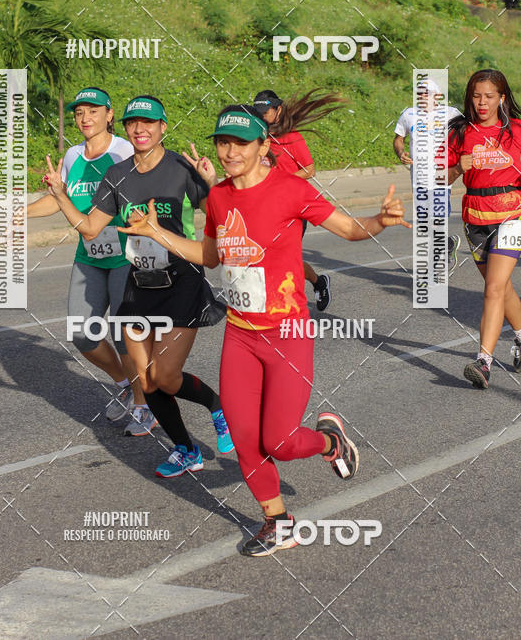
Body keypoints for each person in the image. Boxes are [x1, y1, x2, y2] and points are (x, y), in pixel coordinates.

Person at [119, 104, 410, 556]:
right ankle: (278, 522)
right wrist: (157, 233)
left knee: (280, 440)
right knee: (244, 438)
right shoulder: (217, 198)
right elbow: (211, 256)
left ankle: (330, 441)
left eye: (239, 142)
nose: (229, 151)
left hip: (287, 333)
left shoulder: (292, 190)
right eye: (222, 141)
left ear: (262, 146)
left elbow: (349, 229)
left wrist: (378, 221)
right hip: (240, 335)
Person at [42, 94, 233, 476]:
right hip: (138, 284)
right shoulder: (117, 175)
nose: (140, 128)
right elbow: (92, 227)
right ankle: (186, 448)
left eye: (149, 122)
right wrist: (62, 197)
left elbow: (223, 219)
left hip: (181, 282)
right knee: (145, 380)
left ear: (163, 127)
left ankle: (217, 406)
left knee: (165, 376)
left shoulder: (182, 167)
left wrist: (213, 184)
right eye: (133, 122)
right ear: (126, 128)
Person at [27, 87, 155, 435]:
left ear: (110, 115)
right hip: (89, 256)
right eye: (79, 112)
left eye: (93, 111)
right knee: (82, 333)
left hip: (126, 255)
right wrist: (18, 214)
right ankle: (125, 385)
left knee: (123, 333)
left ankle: (145, 406)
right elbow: (59, 199)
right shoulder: (71, 155)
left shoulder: (125, 150)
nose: (85, 118)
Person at [448, 69, 521, 387]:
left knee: (492, 288)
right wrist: (455, 167)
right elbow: (439, 180)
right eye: (477, 96)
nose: (482, 102)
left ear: (502, 98)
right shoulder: (459, 132)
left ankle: (484, 362)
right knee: (501, 289)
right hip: (474, 219)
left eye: (489, 96)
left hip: (511, 217)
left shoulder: (516, 131)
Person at [253, 89, 340, 312]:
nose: (261, 115)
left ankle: (307, 288)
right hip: (264, 207)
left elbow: (309, 170)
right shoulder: (257, 137)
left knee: (284, 258)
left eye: (266, 111)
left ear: (278, 110)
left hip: (292, 207)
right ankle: (316, 282)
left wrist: (280, 181)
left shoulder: (292, 137)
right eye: (258, 111)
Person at [394, 79, 462, 270]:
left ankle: (437, 263)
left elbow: (468, 132)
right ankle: (447, 244)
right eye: (420, 92)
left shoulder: (451, 114)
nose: (422, 95)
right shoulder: (409, 114)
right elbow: (399, 139)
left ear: (437, 96)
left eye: (427, 92)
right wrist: (401, 153)